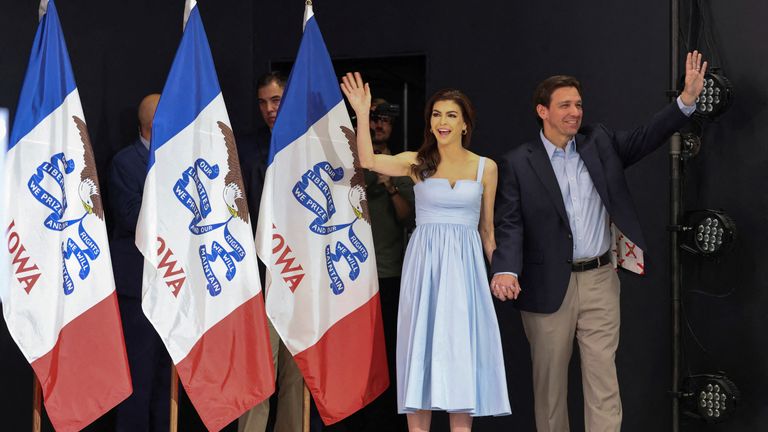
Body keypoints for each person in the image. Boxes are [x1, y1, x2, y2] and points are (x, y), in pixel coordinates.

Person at [490, 51, 707, 432]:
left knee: (603, 380)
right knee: (550, 389)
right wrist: (505, 267)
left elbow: (647, 136)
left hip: (600, 280)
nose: (575, 112)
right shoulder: (518, 162)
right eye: (565, 105)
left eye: (578, 104)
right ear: (543, 111)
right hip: (545, 287)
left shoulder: (599, 142)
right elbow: (509, 223)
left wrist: (685, 101)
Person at [341, 72, 511, 432]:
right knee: (421, 348)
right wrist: (361, 112)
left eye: (451, 115)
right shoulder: (416, 162)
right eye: (436, 114)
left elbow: (487, 231)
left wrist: (501, 272)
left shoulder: (486, 168)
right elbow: (368, 161)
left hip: (465, 271)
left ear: (465, 123)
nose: (442, 122)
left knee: (460, 354)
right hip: (425, 266)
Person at [327, 98, 415, 432]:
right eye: (372, 119)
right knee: (350, 358)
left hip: (388, 274)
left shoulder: (401, 166)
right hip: (347, 277)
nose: (378, 126)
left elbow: (410, 219)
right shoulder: (345, 164)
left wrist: (389, 186)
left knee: (388, 358)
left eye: (384, 121)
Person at [237, 71, 304, 432]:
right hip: (260, 274)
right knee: (258, 370)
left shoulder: (310, 144)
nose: (268, 109)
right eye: (262, 102)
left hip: (300, 275)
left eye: (275, 100)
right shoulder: (246, 147)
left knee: (297, 374)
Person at [108, 93, 171, 431]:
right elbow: (131, 215)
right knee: (138, 377)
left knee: (167, 379)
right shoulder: (125, 162)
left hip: (171, 283)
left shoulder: (178, 162)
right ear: (152, 126)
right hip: (137, 287)